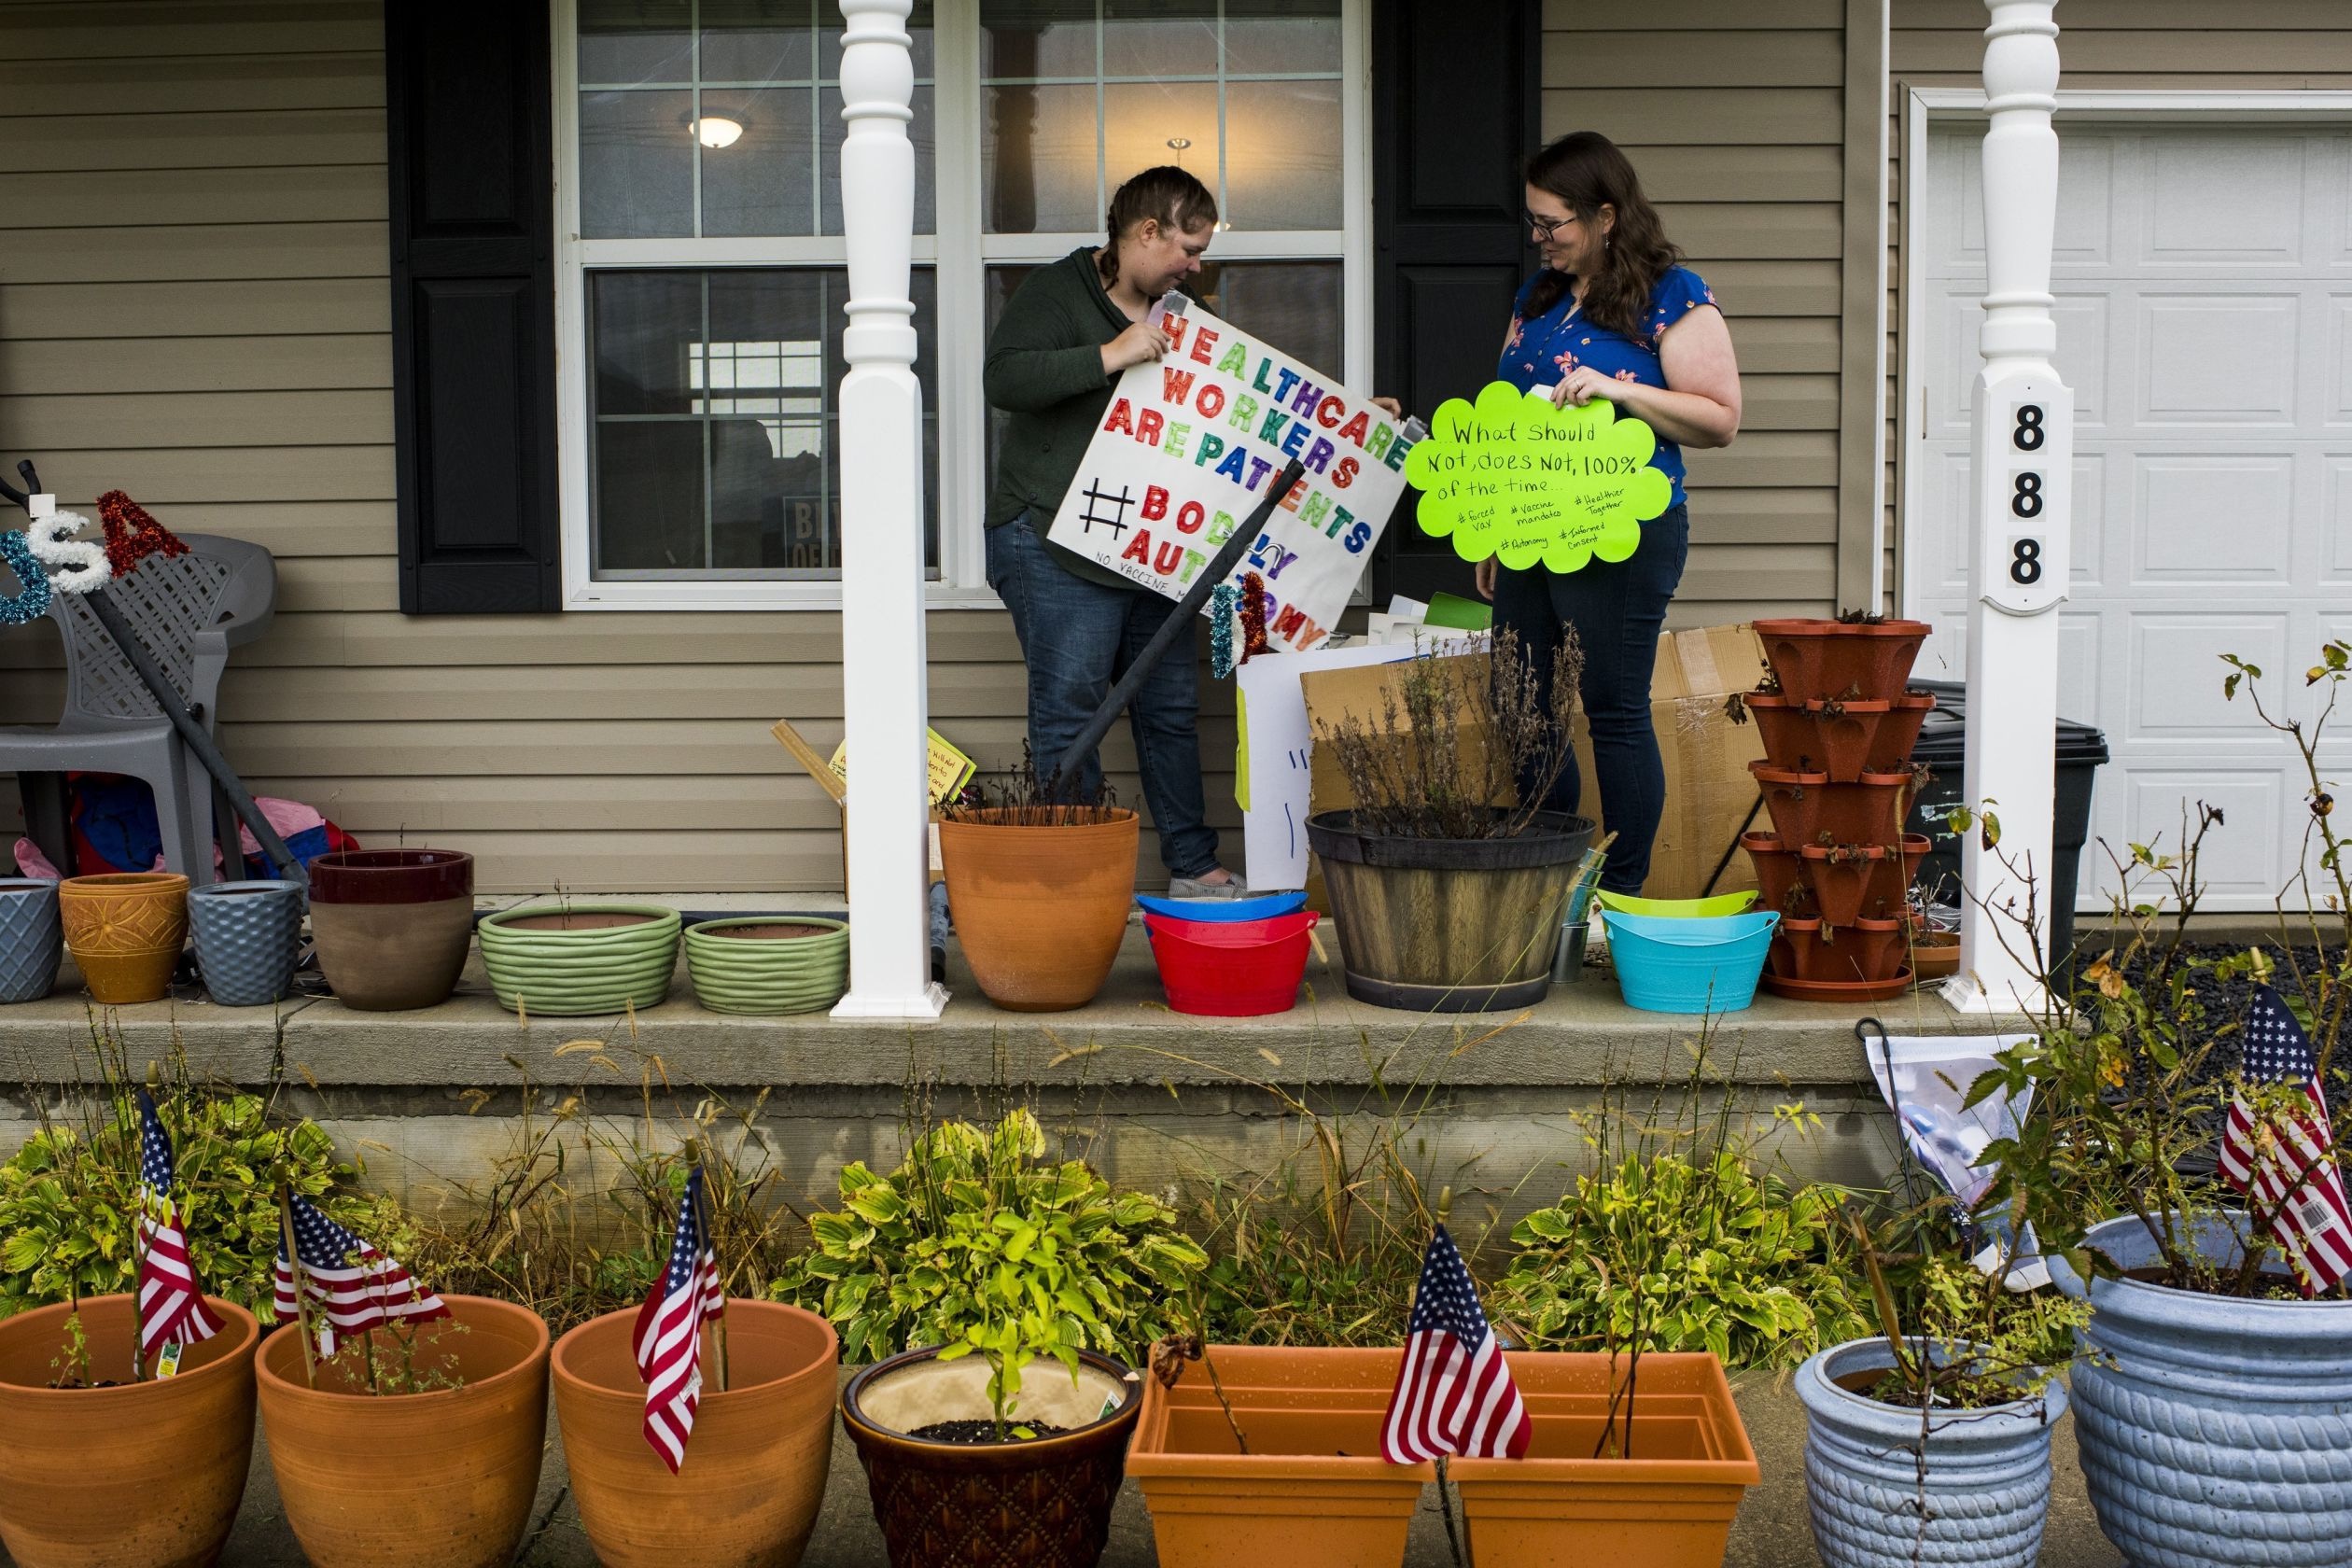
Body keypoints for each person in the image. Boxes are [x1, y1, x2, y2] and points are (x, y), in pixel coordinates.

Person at [1477, 131, 1743, 896]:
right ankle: (1551, 866)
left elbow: (1720, 418)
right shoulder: (1539, 299)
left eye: (1551, 223)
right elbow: (1509, 418)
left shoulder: (1673, 295)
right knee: (1518, 697)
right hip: (1533, 526)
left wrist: (1620, 388)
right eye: (1532, 222)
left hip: (1625, 530)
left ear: (1603, 215)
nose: (1539, 239)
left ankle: (1617, 893)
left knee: (1612, 707)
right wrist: (1497, 519)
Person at [982, 166, 1239, 896]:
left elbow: (1240, 402)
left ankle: (1192, 867)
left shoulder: (1183, 313)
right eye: (1187, 247)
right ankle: (1078, 884)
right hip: (1053, 538)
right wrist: (1109, 355)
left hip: (1147, 545)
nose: (1196, 264)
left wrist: (1346, 424)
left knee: (1169, 710)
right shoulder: (1057, 294)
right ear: (1146, 232)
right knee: (1072, 714)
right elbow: (1004, 381)